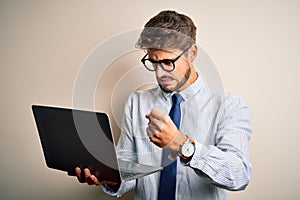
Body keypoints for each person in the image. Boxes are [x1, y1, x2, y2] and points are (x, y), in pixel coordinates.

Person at [74, 10, 252, 200]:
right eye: (153, 62)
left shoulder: (229, 106)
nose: (160, 73)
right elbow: (129, 169)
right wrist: (110, 177)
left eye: (168, 62)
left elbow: (239, 175)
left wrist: (180, 144)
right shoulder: (137, 102)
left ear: (192, 53)